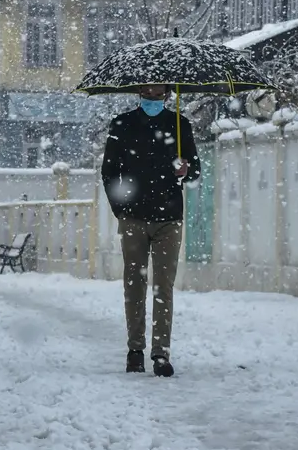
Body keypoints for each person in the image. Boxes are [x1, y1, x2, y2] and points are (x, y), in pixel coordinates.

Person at [100, 84, 201, 377]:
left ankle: (161, 353)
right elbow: (109, 172)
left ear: (168, 93)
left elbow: (194, 168)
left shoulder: (179, 124)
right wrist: (121, 209)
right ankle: (135, 350)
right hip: (133, 217)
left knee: (164, 285)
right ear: (138, 92)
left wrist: (186, 170)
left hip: (169, 216)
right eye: (147, 91)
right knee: (134, 283)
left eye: (158, 92)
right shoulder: (122, 124)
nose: (152, 96)